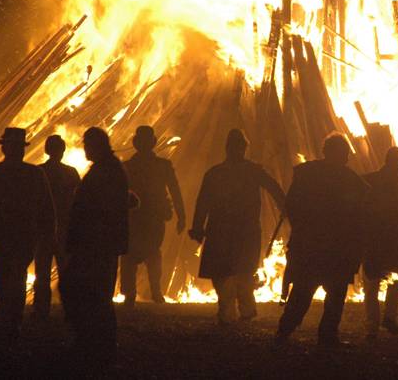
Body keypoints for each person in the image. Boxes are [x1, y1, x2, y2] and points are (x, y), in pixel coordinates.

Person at [276, 134, 368, 346]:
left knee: (314, 292)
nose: (345, 158)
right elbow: (360, 213)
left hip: (321, 247)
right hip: (324, 248)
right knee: (314, 293)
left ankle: (294, 332)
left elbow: (291, 206)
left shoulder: (310, 174)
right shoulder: (344, 179)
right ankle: (300, 332)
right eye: (343, 154)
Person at [189, 129, 285, 324]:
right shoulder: (249, 171)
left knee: (231, 271)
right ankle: (239, 308)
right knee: (239, 270)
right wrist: (285, 206)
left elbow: (203, 203)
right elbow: (274, 188)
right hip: (240, 230)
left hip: (227, 230)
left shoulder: (217, 173)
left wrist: (198, 227)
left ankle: (233, 309)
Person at [0, 127, 55, 341]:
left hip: (14, 237)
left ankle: (10, 320)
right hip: (13, 237)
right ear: (5, 148)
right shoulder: (30, 174)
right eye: (14, 146)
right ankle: (11, 320)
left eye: (18, 146)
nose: (16, 150)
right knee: (11, 277)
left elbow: (45, 207)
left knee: (11, 277)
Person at [60, 127, 129, 366]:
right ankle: (95, 344)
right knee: (93, 294)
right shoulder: (108, 169)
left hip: (95, 244)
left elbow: (99, 208)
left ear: (97, 146)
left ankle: (94, 345)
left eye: (88, 145)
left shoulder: (106, 171)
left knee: (90, 292)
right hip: (98, 243)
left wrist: (79, 237)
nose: (85, 149)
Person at [121, 125, 185, 306]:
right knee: (152, 253)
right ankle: (153, 292)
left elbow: (174, 190)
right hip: (150, 217)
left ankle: (132, 294)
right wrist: (181, 216)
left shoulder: (128, 167)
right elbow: (175, 191)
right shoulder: (162, 166)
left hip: (137, 217)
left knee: (132, 255)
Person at [361, 146, 398, 340]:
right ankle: (387, 319)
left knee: (372, 282)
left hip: (376, 236)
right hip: (390, 238)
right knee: (393, 279)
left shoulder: (369, 180)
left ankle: (373, 326)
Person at [33, 134, 81, 320]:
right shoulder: (70, 173)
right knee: (66, 273)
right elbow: (78, 202)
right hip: (63, 230)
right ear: (62, 151)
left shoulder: (39, 172)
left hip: (44, 231)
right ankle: (69, 309)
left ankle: (41, 309)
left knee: (42, 273)